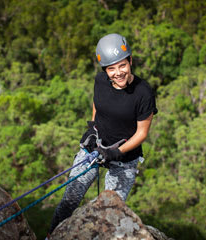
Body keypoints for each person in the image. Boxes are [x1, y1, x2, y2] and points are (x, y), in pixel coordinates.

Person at [48, 33, 158, 235]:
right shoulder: (100, 81)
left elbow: (142, 133)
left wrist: (117, 152)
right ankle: (51, 236)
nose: (118, 73)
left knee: (110, 212)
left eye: (122, 65)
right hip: (94, 148)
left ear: (130, 61)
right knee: (70, 199)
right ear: (105, 70)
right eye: (111, 68)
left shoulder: (143, 93)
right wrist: (93, 126)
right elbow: (97, 102)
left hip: (124, 158)